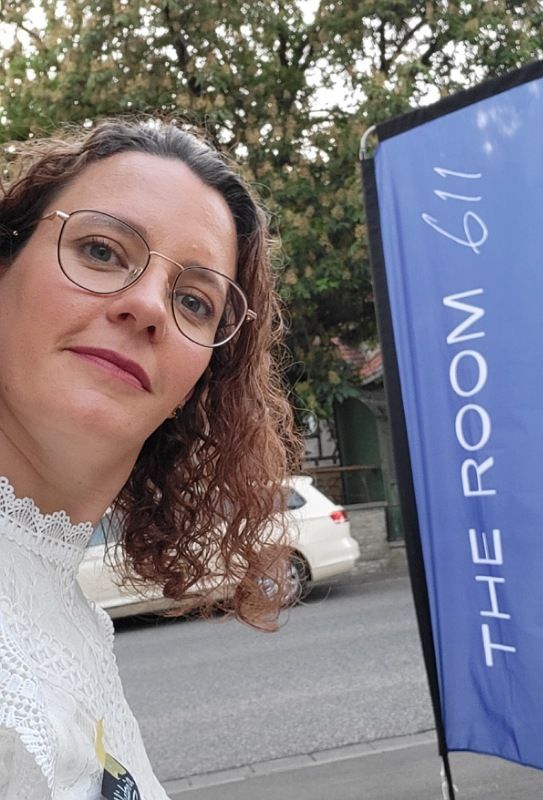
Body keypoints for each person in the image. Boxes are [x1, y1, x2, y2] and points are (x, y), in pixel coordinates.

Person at [0, 119, 301, 799]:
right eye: (101, 250)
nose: (146, 306)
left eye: (193, 301)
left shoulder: (76, 622)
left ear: (196, 386)